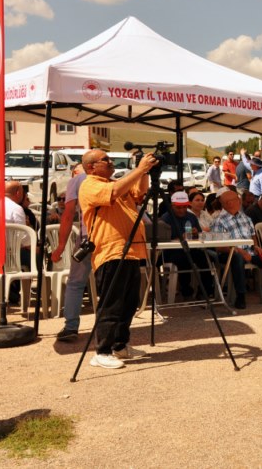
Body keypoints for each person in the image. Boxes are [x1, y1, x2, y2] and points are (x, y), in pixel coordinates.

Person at [78, 148, 157, 369]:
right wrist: (139, 169)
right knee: (112, 304)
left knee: (129, 302)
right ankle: (102, 351)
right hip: (111, 251)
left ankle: (120, 345)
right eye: (106, 160)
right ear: (92, 166)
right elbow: (113, 192)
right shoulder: (90, 185)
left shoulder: (114, 182)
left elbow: (139, 192)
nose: (111, 162)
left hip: (130, 250)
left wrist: (145, 171)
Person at [211, 190, 262, 309]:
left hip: (249, 251)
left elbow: (253, 236)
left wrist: (256, 246)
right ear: (229, 203)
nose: (240, 201)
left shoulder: (245, 218)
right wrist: (239, 251)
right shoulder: (218, 221)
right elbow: (219, 247)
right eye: (237, 199)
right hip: (230, 253)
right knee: (237, 259)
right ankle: (240, 296)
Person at [52, 164, 90, 341]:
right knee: (110, 283)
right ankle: (113, 328)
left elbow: (68, 215)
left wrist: (60, 246)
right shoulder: (111, 179)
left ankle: (71, 327)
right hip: (110, 238)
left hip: (87, 238)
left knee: (75, 282)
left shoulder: (77, 181)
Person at [160, 191, 215, 300]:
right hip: (171, 252)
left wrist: (195, 233)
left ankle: (205, 290)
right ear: (172, 206)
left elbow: (199, 235)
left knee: (205, 258)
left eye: (184, 207)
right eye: (179, 208)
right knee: (184, 260)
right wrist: (180, 238)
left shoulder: (191, 217)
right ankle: (186, 291)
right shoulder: (166, 218)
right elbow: (164, 240)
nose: (182, 210)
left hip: (190, 249)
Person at [0, 180, 30, 305]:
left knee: (21, 253)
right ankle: (42, 295)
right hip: (5, 256)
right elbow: (24, 238)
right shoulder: (16, 208)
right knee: (37, 257)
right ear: (18, 192)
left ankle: (13, 294)